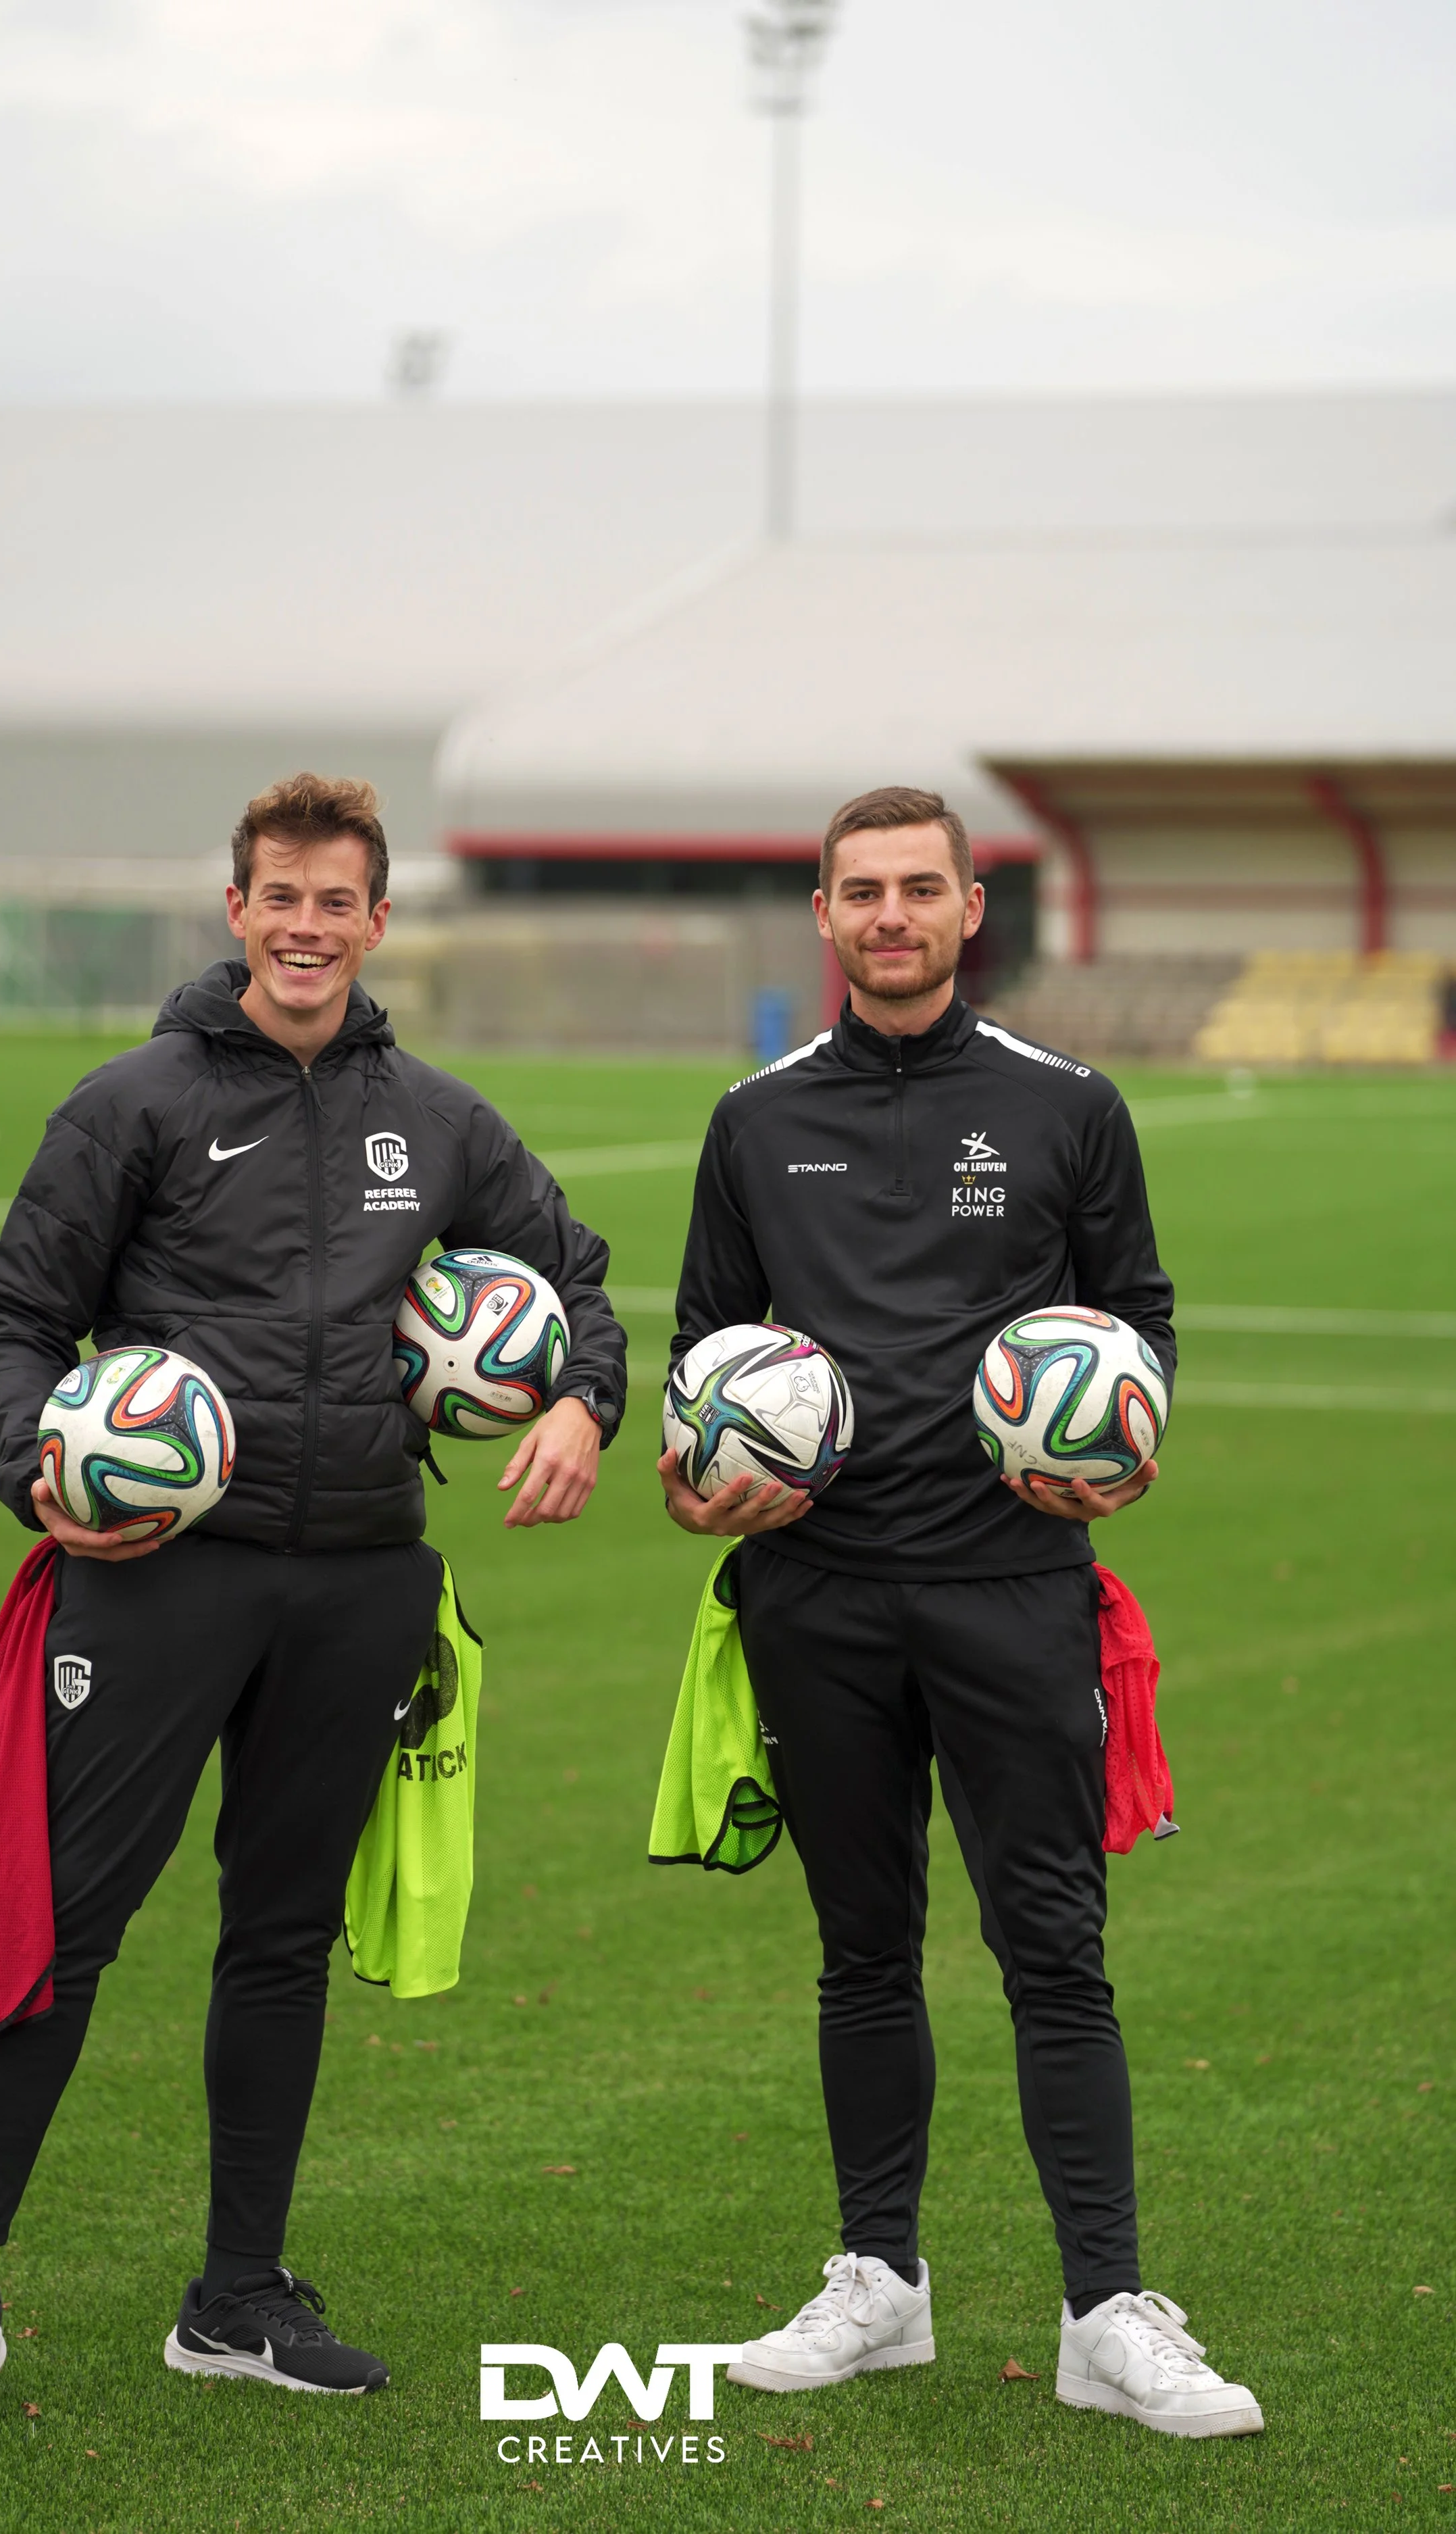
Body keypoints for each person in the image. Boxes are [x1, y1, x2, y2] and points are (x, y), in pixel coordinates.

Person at [0, 772, 626, 2430]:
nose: (304, 926)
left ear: (375, 920)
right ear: (236, 912)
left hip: (359, 1581)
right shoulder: (132, 1104)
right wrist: (38, 1465)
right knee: (61, 1936)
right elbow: (19, 1317)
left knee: (280, 1942)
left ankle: (236, 2298)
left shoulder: (437, 1119)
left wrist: (583, 1401)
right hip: (156, 1582)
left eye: (334, 901)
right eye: (278, 897)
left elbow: (573, 1276)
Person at [658, 785, 1261, 2439]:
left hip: (1011, 1589)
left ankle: (1102, 2313)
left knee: (1052, 1953)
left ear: (968, 907)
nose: (890, 916)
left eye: (918, 888)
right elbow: (703, 1348)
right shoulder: (753, 1118)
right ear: (823, 914)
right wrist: (695, 1485)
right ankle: (879, 2283)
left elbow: (1137, 1321)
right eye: (860, 891)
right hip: (816, 1594)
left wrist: (1115, 1447)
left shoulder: (1065, 1106)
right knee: (860, 1954)